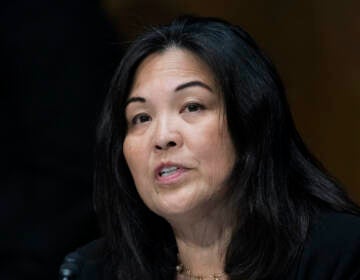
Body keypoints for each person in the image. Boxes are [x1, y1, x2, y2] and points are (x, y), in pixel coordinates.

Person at [59, 15, 360, 280]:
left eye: (192, 106)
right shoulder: (93, 271)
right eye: (141, 117)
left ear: (249, 121)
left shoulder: (340, 254)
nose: (162, 136)